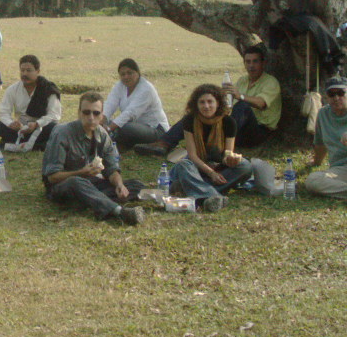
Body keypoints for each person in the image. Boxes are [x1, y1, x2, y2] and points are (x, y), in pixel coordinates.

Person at [135, 45, 281, 156]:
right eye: (248, 62)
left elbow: (261, 103)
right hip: (236, 129)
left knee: (243, 106)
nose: (251, 65)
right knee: (199, 111)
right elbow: (231, 105)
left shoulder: (270, 82)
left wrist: (239, 96)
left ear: (263, 63)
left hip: (258, 131)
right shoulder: (243, 81)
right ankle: (164, 143)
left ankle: (217, 145)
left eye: (255, 61)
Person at [42, 92, 146, 226]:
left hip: (89, 183)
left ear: (102, 115)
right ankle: (119, 211)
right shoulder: (62, 133)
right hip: (63, 186)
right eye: (86, 112)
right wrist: (81, 172)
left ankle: (91, 201)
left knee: (136, 185)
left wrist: (119, 184)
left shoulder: (102, 134)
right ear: (79, 113)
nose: (91, 117)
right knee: (76, 182)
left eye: (96, 113)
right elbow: (52, 177)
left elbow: (112, 169)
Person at [168, 84, 252, 212]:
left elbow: (226, 155)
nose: (206, 106)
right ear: (196, 105)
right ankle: (213, 197)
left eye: (210, 102)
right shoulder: (190, 121)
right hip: (197, 167)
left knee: (245, 166)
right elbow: (192, 155)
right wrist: (211, 173)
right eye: (202, 102)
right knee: (183, 165)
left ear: (218, 103)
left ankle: (194, 189)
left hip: (218, 168)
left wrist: (231, 159)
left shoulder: (229, 122)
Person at [0, 54, 62, 151]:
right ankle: (38, 145)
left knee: (55, 128)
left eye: (29, 70)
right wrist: (11, 124)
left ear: (37, 71)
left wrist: (36, 124)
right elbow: (3, 112)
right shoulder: (13, 89)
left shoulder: (48, 89)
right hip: (20, 129)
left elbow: (54, 115)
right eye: (22, 70)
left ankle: (16, 142)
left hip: (40, 128)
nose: (24, 74)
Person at [102, 58, 170, 151]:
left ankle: (114, 141)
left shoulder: (146, 89)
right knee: (102, 122)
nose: (126, 77)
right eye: (122, 74)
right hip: (134, 125)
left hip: (156, 129)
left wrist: (109, 129)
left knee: (125, 128)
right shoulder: (120, 85)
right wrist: (101, 121)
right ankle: (112, 140)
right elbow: (110, 104)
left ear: (137, 73)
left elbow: (130, 113)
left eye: (129, 73)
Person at [306, 77, 347, 197]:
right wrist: (316, 162)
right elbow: (320, 144)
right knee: (313, 181)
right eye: (331, 94)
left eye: (341, 93)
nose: (336, 98)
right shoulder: (323, 114)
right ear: (326, 97)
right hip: (341, 169)